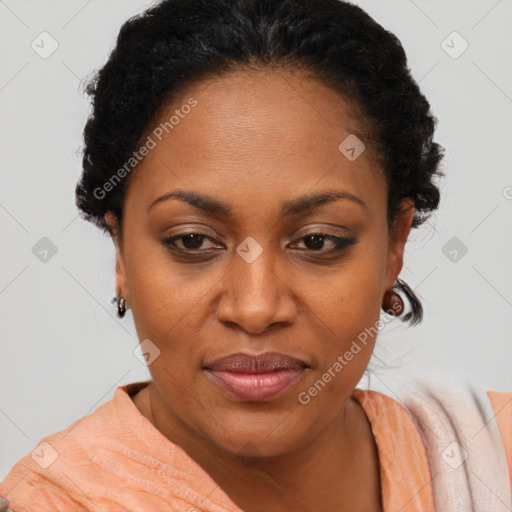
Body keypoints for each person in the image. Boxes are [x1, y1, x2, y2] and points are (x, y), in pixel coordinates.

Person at [0, 0, 510, 510]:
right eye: (193, 241)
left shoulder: (492, 460)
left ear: (394, 243)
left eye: (317, 241)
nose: (256, 308)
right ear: (121, 253)